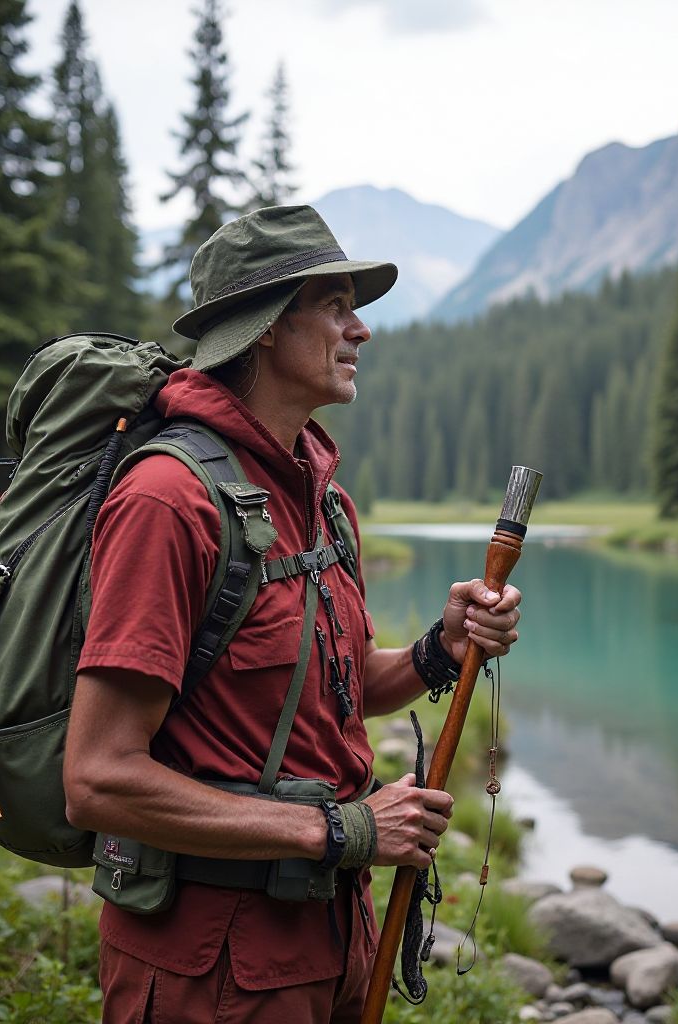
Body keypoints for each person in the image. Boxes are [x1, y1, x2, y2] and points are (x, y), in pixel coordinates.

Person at [64, 205, 523, 1024]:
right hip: (211, 966)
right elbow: (98, 780)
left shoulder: (322, 498)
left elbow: (334, 693)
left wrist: (437, 651)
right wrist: (343, 831)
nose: (361, 331)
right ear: (267, 327)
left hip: (334, 942)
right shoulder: (169, 501)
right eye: (336, 305)